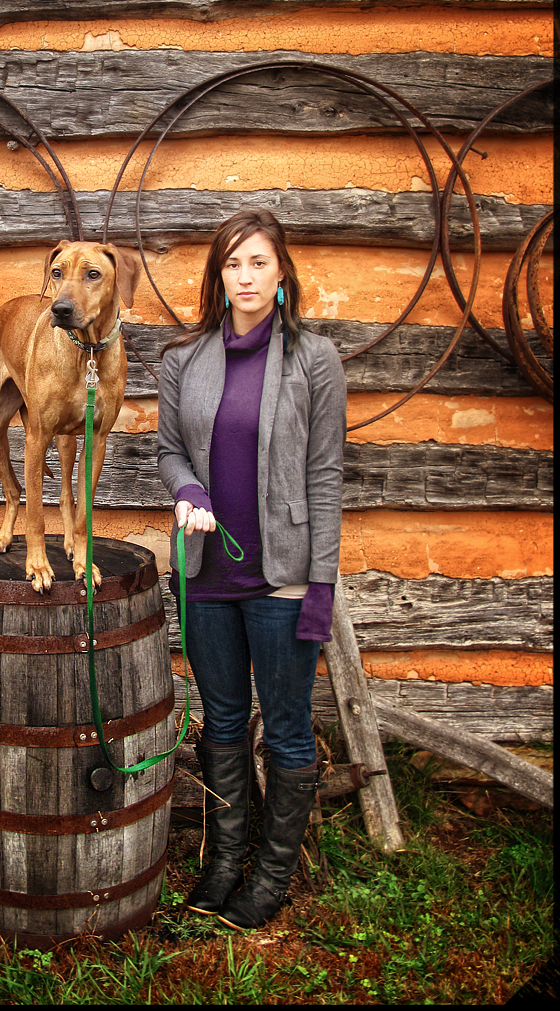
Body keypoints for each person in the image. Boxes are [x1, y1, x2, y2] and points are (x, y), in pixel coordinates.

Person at [157, 209, 346, 930]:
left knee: (290, 727)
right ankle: (222, 861)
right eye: (233, 263)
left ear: (281, 271)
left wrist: (321, 584)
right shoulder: (186, 358)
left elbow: (326, 474)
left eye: (258, 261)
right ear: (218, 275)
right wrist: (189, 489)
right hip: (206, 577)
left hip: (284, 577)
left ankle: (270, 877)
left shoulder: (314, 359)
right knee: (224, 720)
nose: (245, 276)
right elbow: (170, 448)